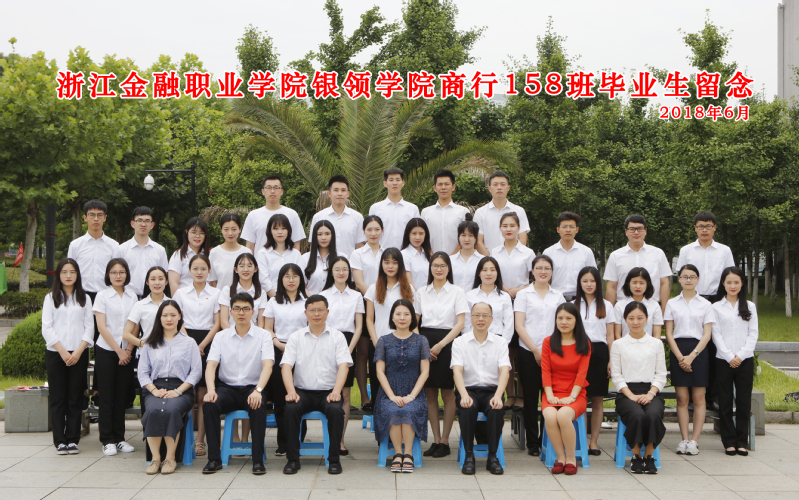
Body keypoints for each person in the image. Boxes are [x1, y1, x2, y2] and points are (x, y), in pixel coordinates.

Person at [201, 293, 273, 475]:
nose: (241, 313)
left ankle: (258, 460)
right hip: (227, 389)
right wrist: (211, 390)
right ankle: (214, 459)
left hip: (253, 388)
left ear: (253, 312)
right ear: (231, 312)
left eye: (246, 309)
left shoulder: (263, 335)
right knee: (210, 404)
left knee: (258, 406)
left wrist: (258, 390)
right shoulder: (221, 336)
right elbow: (211, 366)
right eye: (237, 309)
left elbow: (268, 366)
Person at [280, 295, 353, 475]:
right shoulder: (296, 337)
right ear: (305, 313)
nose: (316, 314)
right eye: (312, 310)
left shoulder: (337, 336)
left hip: (328, 392)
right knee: (290, 409)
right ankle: (292, 459)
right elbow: (286, 366)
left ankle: (334, 459)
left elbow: (344, 366)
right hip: (302, 392)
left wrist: (337, 391)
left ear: (327, 312)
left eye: (320, 310)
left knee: (336, 411)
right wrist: (291, 391)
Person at [676, 211, 735, 412]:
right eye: (701, 226)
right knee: (694, 346)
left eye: (708, 226)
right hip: (693, 299)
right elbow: (682, 276)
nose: (704, 230)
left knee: (715, 348)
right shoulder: (686, 250)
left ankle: (712, 396)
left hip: (717, 300)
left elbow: (730, 276)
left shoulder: (724, 251)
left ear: (714, 228)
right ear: (695, 228)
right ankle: (692, 397)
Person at [414, 252, 469, 458]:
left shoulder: (457, 292)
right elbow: (415, 322)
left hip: (449, 343)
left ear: (448, 268)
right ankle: (435, 439)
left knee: (447, 393)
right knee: (429, 393)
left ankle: (445, 441)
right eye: (435, 265)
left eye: (443, 265)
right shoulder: (422, 292)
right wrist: (424, 346)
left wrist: (441, 345)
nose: (439, 269)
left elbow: (460, 324)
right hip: (425, 341)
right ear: (430, 268)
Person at [139, 300, 202, 474]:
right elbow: (143, 373)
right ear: (159, 318)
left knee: (171, 410)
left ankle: (170, 458)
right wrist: (154, 390)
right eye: (165, 315)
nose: (169, 319)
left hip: (181, 388)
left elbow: (196, 372)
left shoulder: (189, 343)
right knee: (153, 410)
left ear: (179, 317)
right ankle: (155, 459)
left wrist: (178, 391)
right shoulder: (150, 343)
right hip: (155, 388)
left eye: (173, 315)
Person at [513, 255, 567, 456]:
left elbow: (563, 324)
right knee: (530, 397)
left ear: (552, 272)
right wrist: (536, 350)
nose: (543, 271)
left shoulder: (558, 296)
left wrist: (549, 351)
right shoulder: (523, 295)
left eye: (547, 268)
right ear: (532, 271)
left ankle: (548, 437)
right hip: (529, 351)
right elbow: (519, 325)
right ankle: (533, 442)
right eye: (539, 268)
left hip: (554, 353)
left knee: (550, 396)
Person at [42, 258, 94, 455]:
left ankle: (73, 439)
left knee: (75, 396)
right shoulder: (51, 298)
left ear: (77, 274)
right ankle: (60, 441)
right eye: (64, 272)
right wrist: (63, 352)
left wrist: (78, 351)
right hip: (57, 354)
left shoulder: (85, 298)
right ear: (58, 275)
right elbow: (47, 327)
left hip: (79, 353)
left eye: (72, 272)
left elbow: (89, 327)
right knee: (58, 398)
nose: (68, 275)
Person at [171, 255, 222, 458]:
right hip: (184, 340)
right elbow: (177, 319)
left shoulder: (216, 293)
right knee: (187, 393)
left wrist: (202, 345)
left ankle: (200, 439)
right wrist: (191, 343)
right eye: (195, 268)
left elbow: (218, 323)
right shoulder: (180, 293)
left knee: (203, 395)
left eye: (203, 268)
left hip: (209, 341)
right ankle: (184, 439)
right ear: (189, 271)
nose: (199, 272)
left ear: (209, 271)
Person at [452, 302, 510, 475]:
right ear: (470, 318)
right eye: (476, 315)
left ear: (491, 319)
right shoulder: (459, 342)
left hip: (492, 390)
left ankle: (492, 457)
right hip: (468, 389)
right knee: (467, 408)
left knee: (495, 409)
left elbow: (505, 371)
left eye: (485, 315)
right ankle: (469, 456)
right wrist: (463, 395)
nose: (481, 319)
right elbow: (457, 371)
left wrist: (498, 395)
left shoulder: (500, 342)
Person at [610, 301, 667, 474]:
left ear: (647, 319)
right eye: (631, 318)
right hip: (626, 393)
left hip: (651, 391)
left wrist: (650, 394)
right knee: (637, 415)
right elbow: (616, 375)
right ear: (625, 320)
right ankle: (636, 456)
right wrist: (631, 396)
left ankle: (649, 457)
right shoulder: (618, 344)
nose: (636, 322)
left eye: (640, 318)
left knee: (652, 414)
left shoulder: (656, 343)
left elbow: (661, 374)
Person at [374, 299, 431, 473]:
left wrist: (411, 396)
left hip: (414, 393)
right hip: (388, 393)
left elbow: (425, 372)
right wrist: (391, 396)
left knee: (408, 409)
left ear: (412, 317)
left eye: (406, 314)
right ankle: (398, 454)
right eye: (398, 314)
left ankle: (408, 454)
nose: (402, 318)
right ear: (392, 317)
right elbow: (379, 372)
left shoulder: (421, 340)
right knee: (392, 409)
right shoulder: (383, 340)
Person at [665, 264, 716, 456]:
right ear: (679, 279)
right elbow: (669, 333)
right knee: (682, 398)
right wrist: (680, 357)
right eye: (685, 276)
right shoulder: (672, 303)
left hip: (699, 352)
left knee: (699, 398)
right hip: (678, 350)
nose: (688, 280)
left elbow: (707, 334)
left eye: (692, 277)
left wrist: (692, 356)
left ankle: (695, 440)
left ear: (698, 279)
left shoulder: (706, 304)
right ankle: (684, 439)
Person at [92, 258, 139, 456]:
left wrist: (128, 350)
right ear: (108, 275)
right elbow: (101, 327)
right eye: (114, 272)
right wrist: (118, 351)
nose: (118, 276)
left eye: (121, 272)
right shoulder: (102, 296)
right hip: (106, 350)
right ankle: (107, 439)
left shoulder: (132, 295)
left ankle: (120, 438)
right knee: (106, 396)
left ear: (127, 274)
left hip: (127, 351)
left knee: (121, 396)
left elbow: (136, 324)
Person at [262, 263, 308, 456]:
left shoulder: (307, 301)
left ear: (300, 279)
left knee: (300, 395)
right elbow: (268, 328)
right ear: (281, 280)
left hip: (303, 351)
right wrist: (279, 344)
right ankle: (283, 442)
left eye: (295, 276)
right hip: (279, 349)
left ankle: (298, 439)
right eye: (287, 276)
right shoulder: (273, 302)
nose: (291, 280)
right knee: (281, 399)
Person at [712, 267, 758, 456]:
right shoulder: (716, 307)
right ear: (723, 283)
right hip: (723, 360)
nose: (732, 286)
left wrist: (741, 355)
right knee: (724, 402)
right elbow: (716, 334)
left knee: (743, 402)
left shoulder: (750, 306)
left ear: (742, 284)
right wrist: (730, 356)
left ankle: (741, 441)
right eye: (729, 282)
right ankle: (729, 442)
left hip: (745, 360)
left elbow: (753, 333)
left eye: (736, 282)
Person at [541, 303, 591, 475]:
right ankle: (560, 457)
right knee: (550, 415)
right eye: (560, 318)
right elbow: (545, 371)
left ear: (576, 321)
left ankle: (571, 458)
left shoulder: (584, 343)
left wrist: (572, 396)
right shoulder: (548, 342)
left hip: (575, 393)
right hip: (552, 392)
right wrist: (549, 395)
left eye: (569, 318)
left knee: (563, 415)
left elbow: (582, 373)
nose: (564, 322)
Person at [321, 256, 364, 456]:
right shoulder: (323, 295)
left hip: (348, 342)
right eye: (337, 269)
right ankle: (329, 437)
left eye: (344, 269)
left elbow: (359, 326)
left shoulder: (356, 296)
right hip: (326, 342)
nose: (341, 273)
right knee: (328, 390)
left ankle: (340, 439)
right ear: (331, 272)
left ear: (349, 272)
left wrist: (348, 351)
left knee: (345, 394)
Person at [363, 248, 415, 410]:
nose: (390, 266)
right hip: (380, 343)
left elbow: (413, 320)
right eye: (386, 262)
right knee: (378, 387)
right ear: (381, 265)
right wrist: (376, 342)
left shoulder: (409, 289)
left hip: (403, 345)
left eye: (394, 262)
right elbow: (369, 319)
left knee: (401, 387)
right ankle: (380, 424)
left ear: (400, 265)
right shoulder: (373, 288)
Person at [572, 267, 615, 455]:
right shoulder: (572, 305)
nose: (589, 284)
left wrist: (611, 360)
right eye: (585, 281)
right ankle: (580, 440)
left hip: (599, 354)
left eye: (592, 281)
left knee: (597, 400)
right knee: (579, 397)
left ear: (598, 283)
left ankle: (594, 442)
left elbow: (610, 335)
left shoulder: (607, 305)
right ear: (580, 283)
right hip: (578, 352)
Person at [67, 199, 119, 343]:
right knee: (81, 335)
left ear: (105, 218)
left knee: (103, 336)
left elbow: (117, 273)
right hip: (82, 295)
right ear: (85, 217)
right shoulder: (75, 245)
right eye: (92, 215)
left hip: (106, 296)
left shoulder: (114, 246)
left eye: (100, 215)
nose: (96, 219)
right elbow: (70, 272)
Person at [122, 266, 170, 418]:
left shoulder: (172, 303)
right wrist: (144, 344)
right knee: (148, 399)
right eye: (153, 279)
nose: (157, 282)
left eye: (161, 279)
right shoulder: (140, 305)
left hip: (170, 356)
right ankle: (148, 433)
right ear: (147, 282)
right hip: (147, 357)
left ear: (166, 282)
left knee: (169, 400)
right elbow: (127, 334)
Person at [603, 214, 672, 311]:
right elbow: (611, 286)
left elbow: (664, 283)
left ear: (645, 231)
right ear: (626, 232)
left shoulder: (658, 253)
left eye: (640, 229)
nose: (636, 232)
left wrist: (664, 311)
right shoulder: (615, 256)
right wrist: (609, 313)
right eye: (632, 229)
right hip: (623, 309)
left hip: (652, 308)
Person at [242, 174, 305, 252]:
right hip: (261, 259)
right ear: (263, 191)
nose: (272, 191)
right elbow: (250, 247)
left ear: (282, 191)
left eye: (276, 188)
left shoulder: (292, 214)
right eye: (268, 188)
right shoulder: (253, 215)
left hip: (286, 259)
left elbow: (296, 245)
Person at [543, 212, 597, 301]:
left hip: (580, 299)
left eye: (572, 227)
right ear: (558, 229)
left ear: (577, 229)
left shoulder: (586, 252)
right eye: (564, 227)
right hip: (555, 299)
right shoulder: (549, 252)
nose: (568, 230)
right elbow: (545, 278)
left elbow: (593, 277)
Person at [473, 171, 530, 254]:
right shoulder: (480, 213)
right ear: (490, 188)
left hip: (514, 259)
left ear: (508, 188)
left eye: (503, 184)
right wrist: (491, 260)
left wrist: (512, 258)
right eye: (495, 184)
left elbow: (522, 239)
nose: (499, 187)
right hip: (488, 260)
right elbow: (478, 241)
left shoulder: (519, 211)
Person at [309, 175, 365, 258]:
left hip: (349, 264)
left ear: (348, 194)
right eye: (336, 190)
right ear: (329, 193)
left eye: (343, 190)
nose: (340, 193)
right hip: (325, 264)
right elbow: (313, 246)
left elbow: (360, 246)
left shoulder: (357, 217)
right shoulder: (319, 217)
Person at [117, 207, 169, 297]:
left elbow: (165, 275)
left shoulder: (160, 250)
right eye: (139, 220)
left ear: (152, 225)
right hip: (128, 297)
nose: (143, 224)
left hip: (153, 297)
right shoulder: (121, 249)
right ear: (132, 223)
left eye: (147, 221)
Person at [464, 257, 514, 343]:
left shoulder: (505, 297)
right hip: (474, 340)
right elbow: (466, 324)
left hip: (498, 340)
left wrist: (503, 344)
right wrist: (469, 342)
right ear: (479, 273)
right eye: (484, 270)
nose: (489, 273)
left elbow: (509, 325)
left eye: (492, 270)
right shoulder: (469, 296)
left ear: (497, 273)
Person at [368, 167, 420, 250]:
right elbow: (370, 234)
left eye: (398, 180)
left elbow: (418, 233)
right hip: (381, 254)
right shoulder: (375, 208)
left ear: (403, 183)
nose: (395, 183)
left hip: (406, 254)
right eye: (391, 180)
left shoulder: (413, 209)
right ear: (385, 183)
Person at [421, 169, 469, 254]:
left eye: (447, 184)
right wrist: (433, 257)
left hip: (457, 260)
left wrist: (453, 258)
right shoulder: (426, 212)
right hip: (431, 260)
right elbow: (422, 237)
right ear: (435, 188)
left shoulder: (463, 212)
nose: (443, 187)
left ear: (453, 187)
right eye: (440, 184)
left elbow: (467, 237)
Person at [490, 213, 534, 299]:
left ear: (518, 228)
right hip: (498, 297)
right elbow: (490, 274)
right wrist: (502, 287)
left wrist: (518, 290)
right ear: (500, 228)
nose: (508, 229)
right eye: (505, 226)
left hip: (523, 297)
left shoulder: (528, 253)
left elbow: (537, 280)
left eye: (512, 226)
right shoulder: (494, 252)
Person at [613, 268, 665, 339]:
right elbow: (617, 335)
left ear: (647, 284)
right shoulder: (619, 306)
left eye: (641, 283)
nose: (638, 286)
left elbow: (657, 336)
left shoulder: (655, 306)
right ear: (628, 283)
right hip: (625, 345)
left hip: (649, 345)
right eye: (634, 282)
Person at [254, 213, 299, 293]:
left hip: (294, 296)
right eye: (276, 229)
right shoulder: (263, 253)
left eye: (283, 228)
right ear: (270, 231)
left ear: (288, 230)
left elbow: (300, 278)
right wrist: (275, 298)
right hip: (271, 296)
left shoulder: (296, 254)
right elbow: (264, 280)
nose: (280, 232)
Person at [219, 253, 266, 329]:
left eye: (249, 266)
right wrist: (233, 335)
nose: (245, 269)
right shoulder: (227, 290)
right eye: (241, 266)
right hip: (230, 333)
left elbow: (261, 324)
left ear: (255, 269)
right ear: (236, 269)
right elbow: (224, 322)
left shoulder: (261, 293)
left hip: (254, 334)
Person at [208, 213, 251, 290]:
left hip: (242, 296)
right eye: (226, 229)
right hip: (220, 296)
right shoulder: (214, 252)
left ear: (240, 229)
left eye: (234, 229)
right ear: (221, 230)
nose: (230, 233)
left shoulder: (247, 252)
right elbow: (212, 280)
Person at [168, 217, 210, 293]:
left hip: (207, 298)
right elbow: (173, 283)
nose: (197, 236)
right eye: (194, 232)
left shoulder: (210, 254)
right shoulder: (178, 255)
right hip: (184, 298)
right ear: (187, 232)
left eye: (201, 233)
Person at [300, 220, 337, 296]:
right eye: (319, 234)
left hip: (335, 301)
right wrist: (312, 300)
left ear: (332, 235)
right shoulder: (305, 258)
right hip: (310, 300)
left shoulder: (341, 257)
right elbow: (301, 286)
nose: (323, 238)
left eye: (327, 234)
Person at [351, 215, 384, 294]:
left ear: (382, 231)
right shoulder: (357, 254)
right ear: (364, 231)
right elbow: (359, 283)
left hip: (385, 297)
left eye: (377, 229)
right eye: (369, 230)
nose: (373, 233)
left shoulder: (387, 253)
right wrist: (373, 298)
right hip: (364, 297)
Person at [451, 217, 482, 292]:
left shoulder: (482, 260)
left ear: (476, 237)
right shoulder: (450, 260)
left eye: (471, 235)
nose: (467, 239)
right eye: (463, 235)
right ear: (458, 237)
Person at [400, 218, 432, 291]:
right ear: (408, 234)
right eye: (414, 233)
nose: (417, 237)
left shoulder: (429, 256)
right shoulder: (403, 255)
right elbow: (408, 283)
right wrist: (420, 296)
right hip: (413, 296)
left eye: (421, 233)